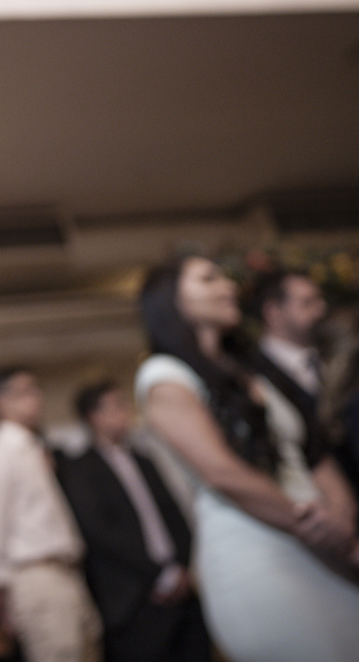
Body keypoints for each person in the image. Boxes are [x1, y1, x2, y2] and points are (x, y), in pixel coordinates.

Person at [135, 256, 359, 662]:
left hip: (324, 538)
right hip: (258, 547)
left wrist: (341, 520)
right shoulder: (164, 374)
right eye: (208, 279)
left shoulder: (253, 368)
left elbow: (315, 453)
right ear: (171, 300)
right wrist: (312, 524)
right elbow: (221, 472)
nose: (229, 286)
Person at [58, 381, 211, 662]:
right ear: (93, 417)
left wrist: (180, 567)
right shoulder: (80, 468)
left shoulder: (144, 460)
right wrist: (159, 575)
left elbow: (175, 516)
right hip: (133, 598)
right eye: (115, 406)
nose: (124, 412)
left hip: (181, 588)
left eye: (123, 404)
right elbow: (101, 533)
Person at [0, 368, 101, 662]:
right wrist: (2, 596)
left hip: (65, 571)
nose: (35, 399)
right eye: (23, 392)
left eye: (36, 390)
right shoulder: (1, 452)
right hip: (35, 574)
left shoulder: (32, 446)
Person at [251, 269, 329, 399]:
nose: (321, 309)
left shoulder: (327, 355)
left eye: (320, 300)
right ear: (272, 311)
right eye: (307, 303)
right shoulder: (254, 371)